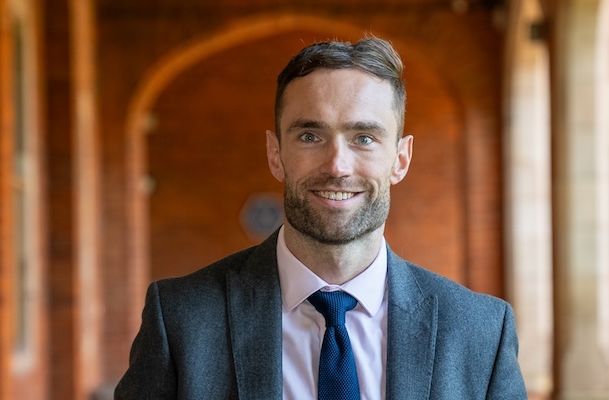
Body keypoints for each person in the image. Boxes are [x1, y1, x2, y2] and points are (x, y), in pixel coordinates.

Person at [115, 36, 527, 399]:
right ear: (276, 154)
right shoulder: (182, 320)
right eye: (310, 136)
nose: (337, 165)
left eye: (364, 138)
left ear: (400, 159)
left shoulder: (481, 333)